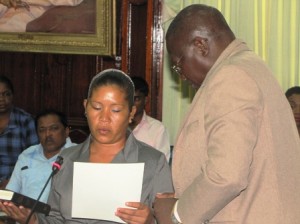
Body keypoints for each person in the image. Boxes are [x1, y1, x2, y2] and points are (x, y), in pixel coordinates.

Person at [153, 4, 300, 224]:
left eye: (178, 65)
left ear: (200, 45)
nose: (181, 76)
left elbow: (227, 175)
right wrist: (183, 199)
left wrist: (177, 214)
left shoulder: (231, 78)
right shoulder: (250, 65)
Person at [0, 69, 173, 224]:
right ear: (85, 107)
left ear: (131, 113)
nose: (104, 118)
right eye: (97, 107)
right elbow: (56, 218)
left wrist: (150, 221)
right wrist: (33, 220)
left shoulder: (153, 162)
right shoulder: (66, 159)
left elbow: (168, 220)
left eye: (115, 110)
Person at [5, 109, 76, 203]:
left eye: (54, 128)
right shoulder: (27, 155)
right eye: (42, 130)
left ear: (66, 131)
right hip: (23, 213)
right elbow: (11, 192)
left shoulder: (78, 155)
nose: (48, 134)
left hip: (57, 216)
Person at [0, 75, 39, 189]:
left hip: (17, 183)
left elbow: (34, 159)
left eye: (6, 94)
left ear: (12, 96)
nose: (2, 99)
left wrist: (13, 181)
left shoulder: (26, 121)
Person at [129, 76, 171, 162]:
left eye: (136, 99)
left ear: (145, 100)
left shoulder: (157, 129)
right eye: (128, 98)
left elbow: (163, 163)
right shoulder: (115, 126)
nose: (132, 103)